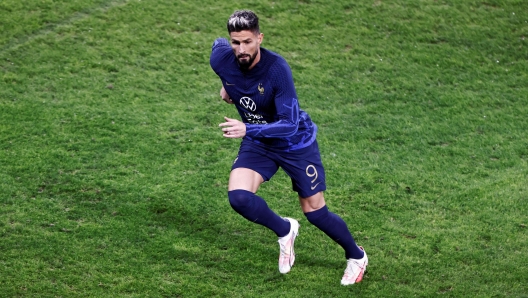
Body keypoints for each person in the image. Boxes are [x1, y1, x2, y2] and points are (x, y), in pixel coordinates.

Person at [209, 10, 368, 285]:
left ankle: (356, 256)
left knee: (316, 213)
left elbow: (289, 124)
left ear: (260, 38)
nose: (241, 49)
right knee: (239, 198)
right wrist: (226, 86)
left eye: (247, 42)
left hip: (294, 142)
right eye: (236, 42)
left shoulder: (276, 70)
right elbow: (217, 44)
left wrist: (247, 128)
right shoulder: (221, 58)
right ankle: (285, 230)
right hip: (259, 141)